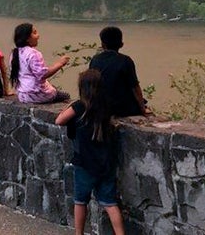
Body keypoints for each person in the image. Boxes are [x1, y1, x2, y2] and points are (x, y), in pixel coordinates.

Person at [55, 69, 125, 235]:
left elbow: (59, 120)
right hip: (105, 162)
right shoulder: (107, 106)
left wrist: (70, 105)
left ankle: (79, 233)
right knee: (110, 203)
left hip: (84, 162)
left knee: (80, 201)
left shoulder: (80, 107)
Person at [89, 26, 147, 117]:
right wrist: (143, 109)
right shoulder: (125, 60)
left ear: (102, 44)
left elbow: (90, 85)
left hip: (100, 107)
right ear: (121, 44)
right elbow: (135, 87)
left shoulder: (95, 60)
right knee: (142, 101)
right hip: (121, 109)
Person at [9, 23, 70, 104]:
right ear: (27, 38)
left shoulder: (14, 53)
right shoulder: (33, 53)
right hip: (37, 95)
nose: (38, 36)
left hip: (22, 95)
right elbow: (42, 75)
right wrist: (60, 63)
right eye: (34, 33)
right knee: (66, 96)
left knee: (52, 88)